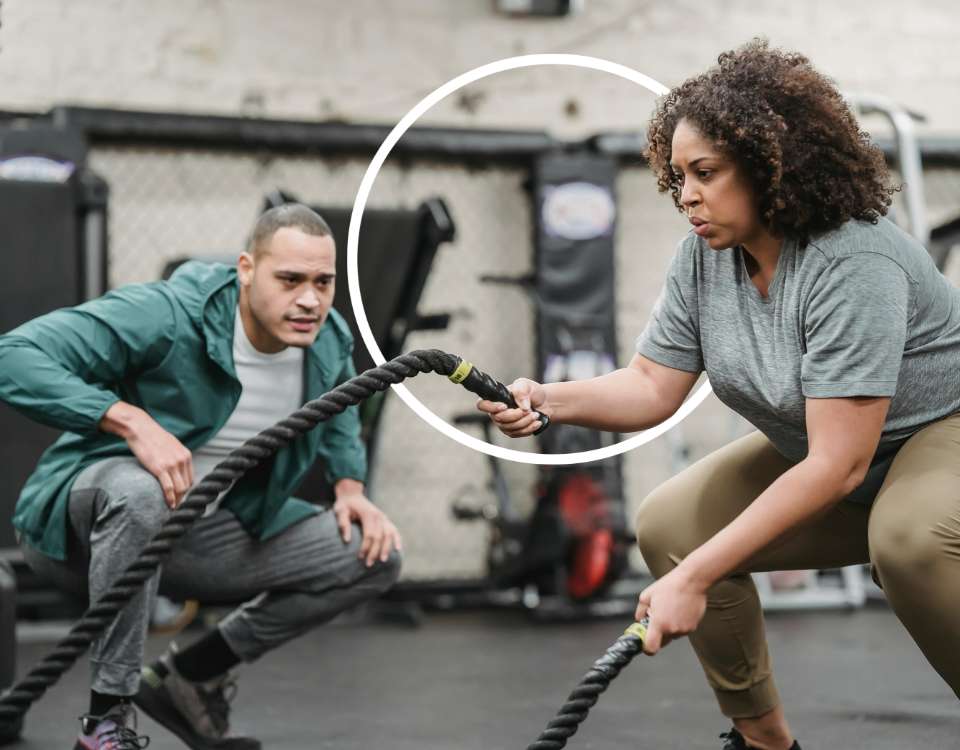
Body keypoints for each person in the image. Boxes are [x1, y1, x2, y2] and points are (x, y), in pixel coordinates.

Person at [478, 39, 960, 750]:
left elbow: (838, 465)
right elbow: (651, 386)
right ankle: (764, 743)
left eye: (705, 173)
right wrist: (547, 399)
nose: (687, 196)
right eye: (678, 177)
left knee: (908, 540)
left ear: (772, 167)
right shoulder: (703, 261)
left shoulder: (852, 260)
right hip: (840, 457)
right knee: (672, 526)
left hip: (938, 435)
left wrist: (696, 579)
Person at [0, 204, 403, 750]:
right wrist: (130, 421)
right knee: (142, 492)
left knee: (372, 553)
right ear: (246, 269)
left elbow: (340, 411)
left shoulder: (327, 339)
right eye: (290, 280)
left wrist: (350, 489)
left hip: (197, 538)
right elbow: (13, 355)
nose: (310, 300)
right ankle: (105, 722)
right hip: (79, 538)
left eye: (322, 282)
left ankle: (187, 679)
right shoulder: (167, 314)